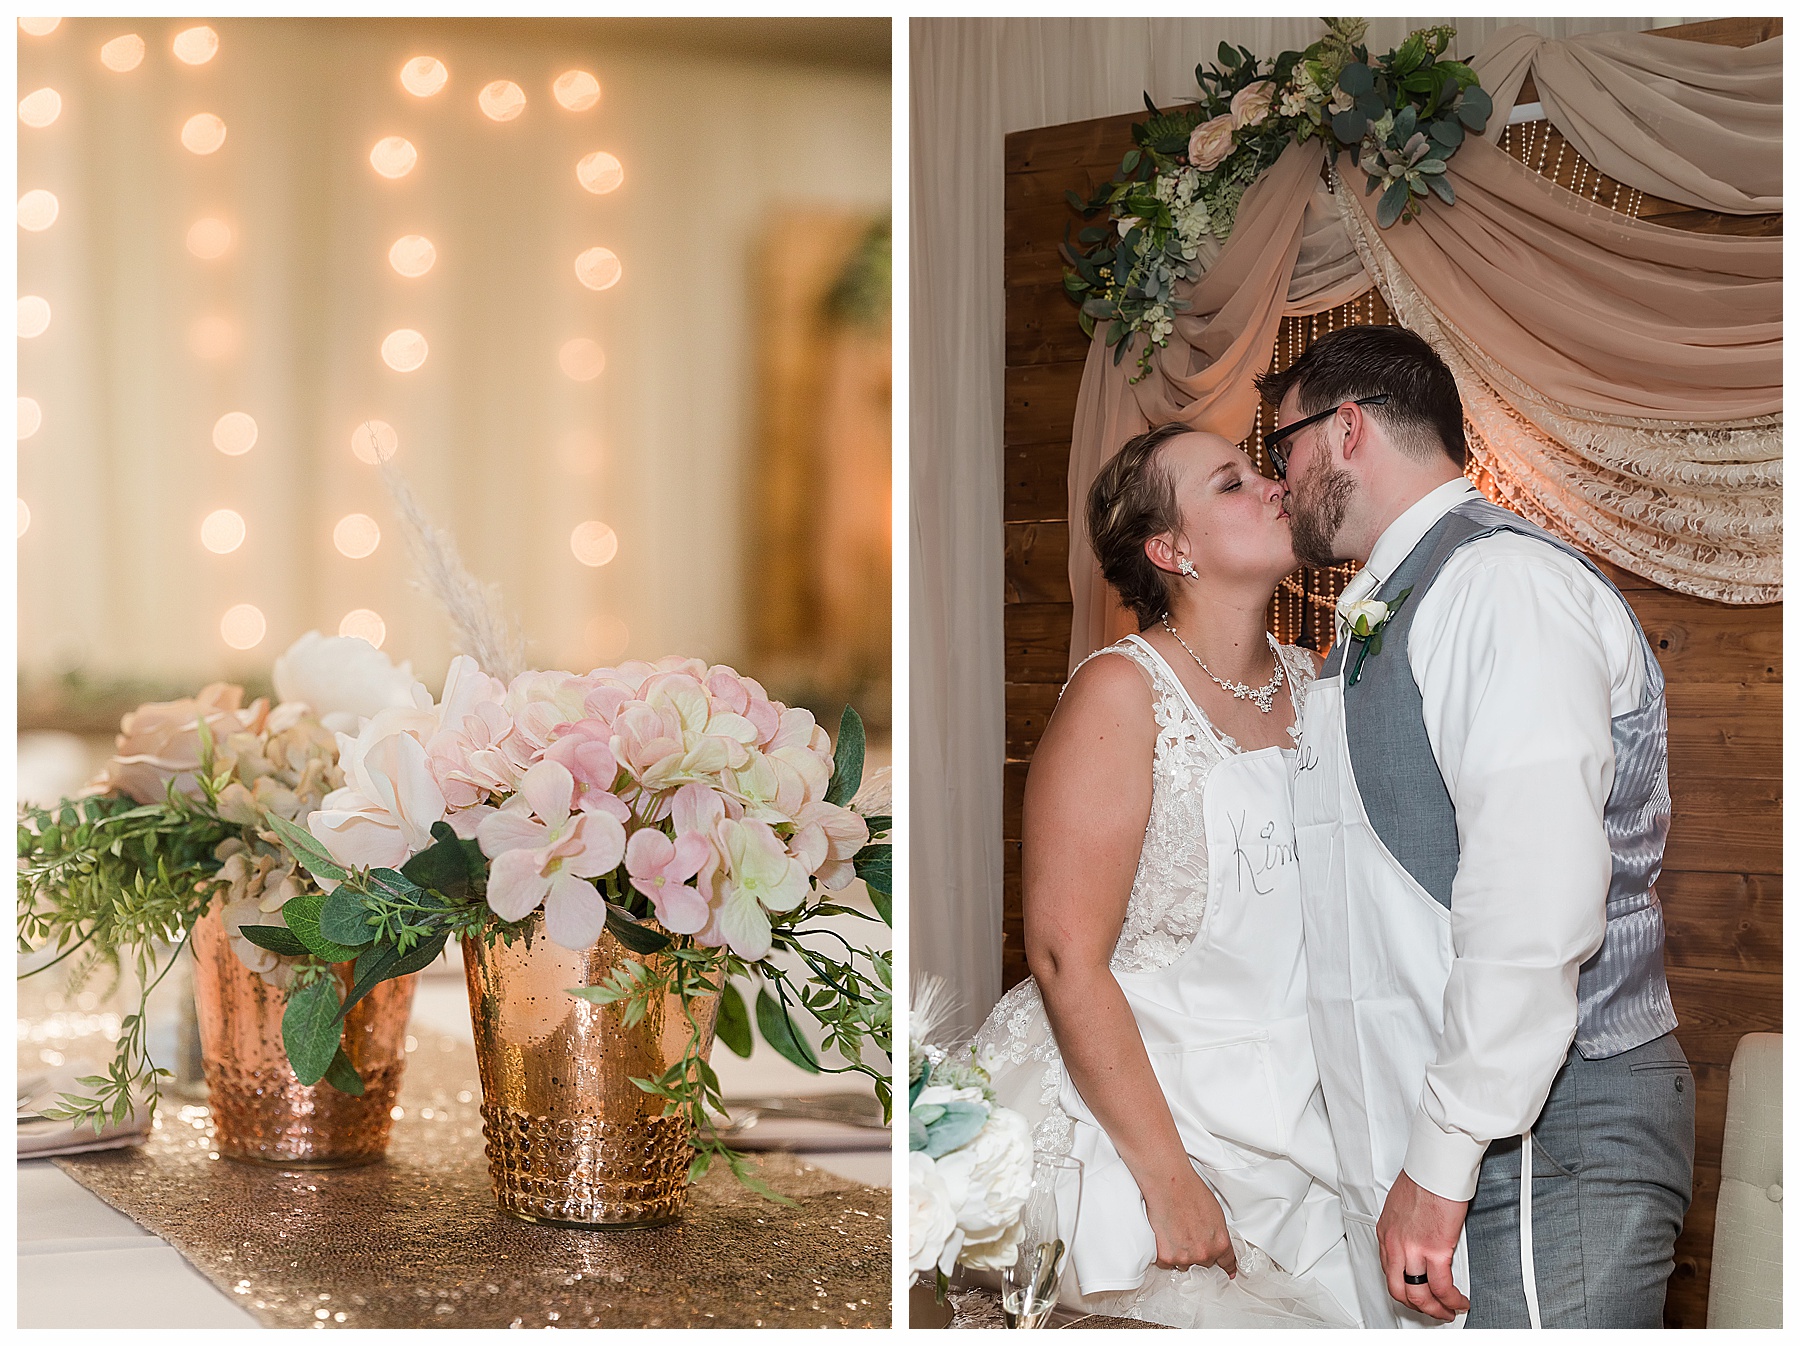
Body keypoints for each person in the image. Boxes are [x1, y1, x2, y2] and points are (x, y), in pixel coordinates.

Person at [1264, 324, 1694, 1328]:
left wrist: (1445, 1147)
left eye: (1280, 449)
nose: (1277, 482)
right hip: (1467, 1129)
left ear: (1347, 428)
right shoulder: (1405, 595)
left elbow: (1535, 896)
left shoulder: (1502, 585)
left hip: (1548, 1131)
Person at [971, 424, 1359, 1328]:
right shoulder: (1121, 691)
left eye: (1260, 472)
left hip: (1300, 1106)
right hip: (1147, 1108)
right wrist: (1168, 1178)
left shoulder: (1321, 685)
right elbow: (1066, 952)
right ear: (1170, 549)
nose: (1270, 487)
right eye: (1230, 483)